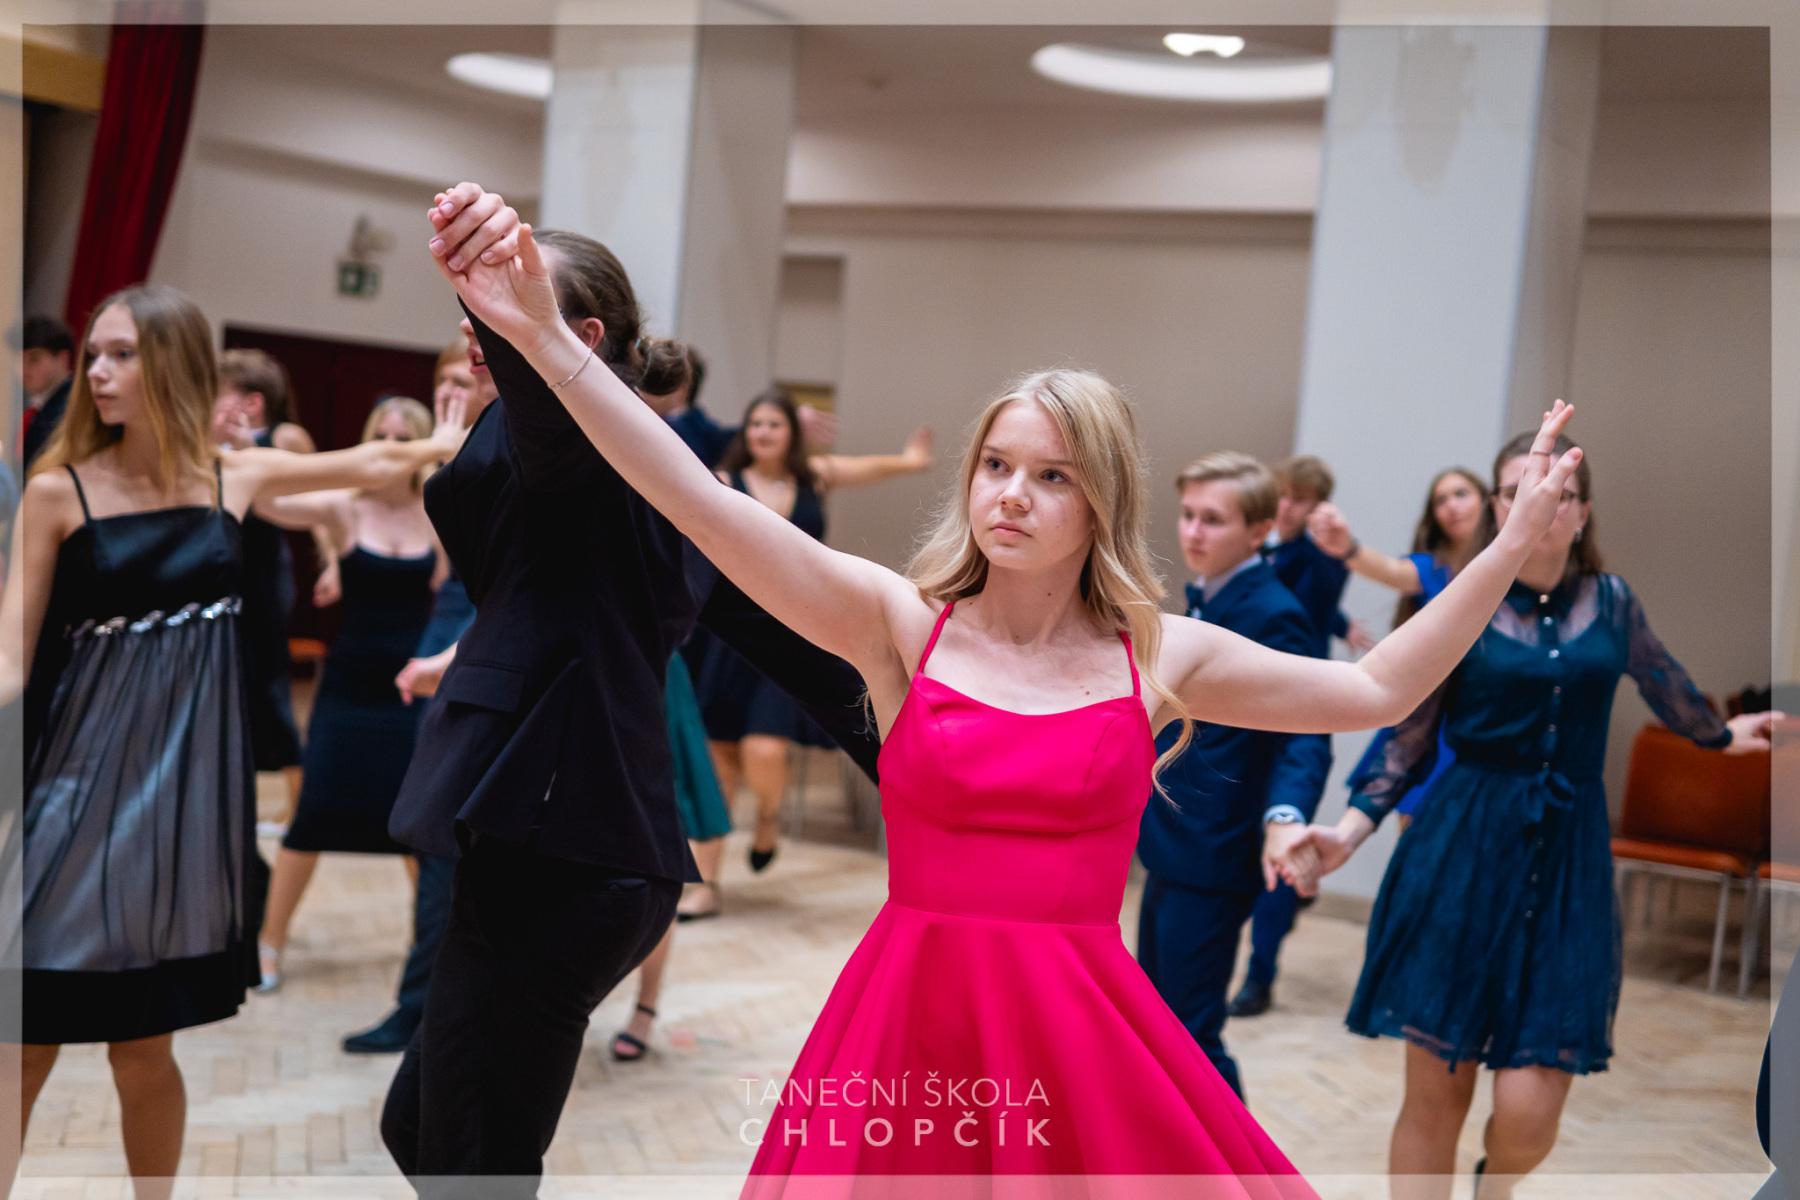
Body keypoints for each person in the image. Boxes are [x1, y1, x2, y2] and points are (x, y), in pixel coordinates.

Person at [430, 186, 1588, 1193]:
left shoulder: (1162, 655)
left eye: (1051, 476)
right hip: (910, 1025)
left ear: (1101, 501)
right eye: (994, 466)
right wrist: (542, 338)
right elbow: (692, 495)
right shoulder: (897, 625)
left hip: (1086, 1037)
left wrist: (1509, 547)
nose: (1012, 495)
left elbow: (1379, 685)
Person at [381, 191, 881, 1196]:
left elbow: (800, 645)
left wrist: (929, 762)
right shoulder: (647, 472)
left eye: (505, 302)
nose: (475, 326)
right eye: (472, 309)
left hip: (564, 852)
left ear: (585, 340)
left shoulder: (583, 446)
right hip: (558, 839)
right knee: (422, 1128)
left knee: (471, 1165)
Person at [0, 284, 466, 1200]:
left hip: (176, 810)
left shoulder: (229, 477)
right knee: (22, 1044)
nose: (98, 373)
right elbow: (12, 654)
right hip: (73, 796)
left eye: (123, 354)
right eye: (94, 355)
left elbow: (367, 459)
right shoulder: (58, 491)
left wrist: (438, 444)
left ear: (173, 365)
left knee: (143, 1050)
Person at [1289, 431, 1777, 1200]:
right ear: (1498, 508)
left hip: (1567, 859)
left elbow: (1662, 677)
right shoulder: (1462, 599)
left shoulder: (1613, 602)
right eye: (1520, 490)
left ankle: (1498, 1185)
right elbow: (1409, 733)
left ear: (1583, 513)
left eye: (1561, 492)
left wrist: (1719, 736)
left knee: (1529, 1114)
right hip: (1461, 849)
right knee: (1436, 1095)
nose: (1542, 502)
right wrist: (1350, 830)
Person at [1135, 452, 1331, 1100]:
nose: (1193, 532)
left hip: (1215, 855)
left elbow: (1306, 729)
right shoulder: (1210, 596)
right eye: (1188, 515)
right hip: (1174, 846)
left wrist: (1285, 816)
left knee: (1189, 1039)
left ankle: (1234, 1157)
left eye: (1212, 520)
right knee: (1155, 1029)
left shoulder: (1273, 611)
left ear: (1259, 530)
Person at [687, 390, 932, 872]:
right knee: (720, 753)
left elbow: (867, 468)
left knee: (765, 746)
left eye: (774, 424)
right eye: (755, 424)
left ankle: (768, 818)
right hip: (732, 639)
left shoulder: (813, 476)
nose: (763, 433)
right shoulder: (723, 482)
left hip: (796, 632)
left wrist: (910, 462)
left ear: (791, 434)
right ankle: (706, 880)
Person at [250, 397, 446, 994]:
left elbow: (462, 586)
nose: (390, 447)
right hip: (349, 684)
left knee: (414, 825)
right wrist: (248, 451)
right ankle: (269, 943)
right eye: (380, 434)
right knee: (312, 816)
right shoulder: (343, 506)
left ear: (421, 445)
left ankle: (432, 951)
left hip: (410, 688)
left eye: (402, 437)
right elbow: (266, 499)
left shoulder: (439, 510)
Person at [339, 337, 495, 1056]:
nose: (459, 389)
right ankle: (422, 1008)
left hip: (490, 649)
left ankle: (455, 1011)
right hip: (452, 640)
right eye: (447, 380)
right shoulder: (450, 458)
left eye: (470, 374)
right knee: (437, 841)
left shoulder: (521, 447)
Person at [1227, 453, 1367, 1019]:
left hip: (1299, 713)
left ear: (1316, 507)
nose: (1287, 506)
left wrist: (1335, 547)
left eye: (1300, 499)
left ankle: (1259, 975)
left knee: (1284, 840)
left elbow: (1320, 586)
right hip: (1247, 711)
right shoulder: (1262, 547)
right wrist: (1342, 624)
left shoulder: (1318, 554)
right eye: (1282, 495)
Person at [1309, 467, 1489, 827]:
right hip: (1434, 718)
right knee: (1414, 827)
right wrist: (1349, 547)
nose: (1451, 506)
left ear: (1487, 501)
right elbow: (1390, 570)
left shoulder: (1517, 566)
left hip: (1489, 716)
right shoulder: (1430, 569)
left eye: (1461, 494)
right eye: (1440, 500)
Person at [214, 348, 317, 825]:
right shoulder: (217, 441)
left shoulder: (285, 437)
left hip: (263, 577)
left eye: (220, 393)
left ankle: (301, 811)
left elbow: (320, 500)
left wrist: (334, 564)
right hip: (227, 576)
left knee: (272, 693)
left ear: (252, 403)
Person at [19, 315, 75, 471]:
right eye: (19, 360)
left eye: (34, 359)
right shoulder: (39, 408)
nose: (24, 369)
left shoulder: (71, 406)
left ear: (62, 358)